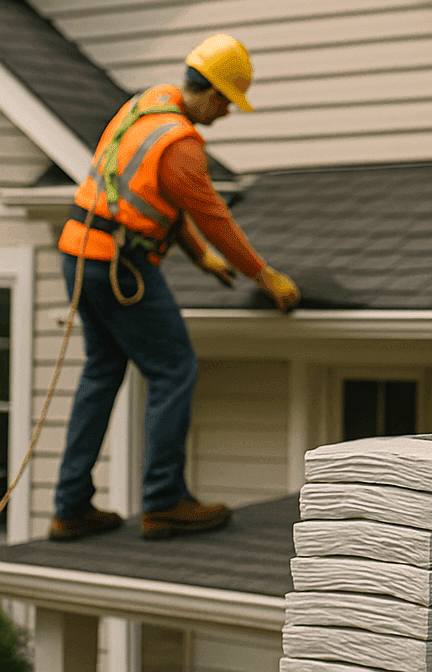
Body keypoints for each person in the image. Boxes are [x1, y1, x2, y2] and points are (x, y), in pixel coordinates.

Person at [50, 34, 300, 542]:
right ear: (211, 92)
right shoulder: (181, 145)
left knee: (101, 372)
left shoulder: (145, 106)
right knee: (174, 370)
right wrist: (264, 275)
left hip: (79, 253)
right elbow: (214, 218)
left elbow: (150, 197)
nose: (225, 113)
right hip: (120, 268)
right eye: (227, 102)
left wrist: (198, 257)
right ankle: (164, 502)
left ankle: (70, 506)